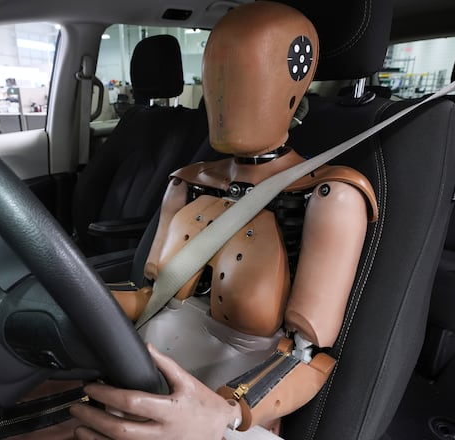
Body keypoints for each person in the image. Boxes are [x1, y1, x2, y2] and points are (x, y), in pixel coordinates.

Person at [61, 2, 379, 439]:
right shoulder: (187, 181)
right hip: (139, 375)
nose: (226, 97)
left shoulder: (329, 194)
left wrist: (225, 414)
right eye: (218, 76)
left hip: (228, 407)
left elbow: (306, 354)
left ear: (293, 83)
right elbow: (150, 295)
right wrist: (67, 303)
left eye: (247, 76)